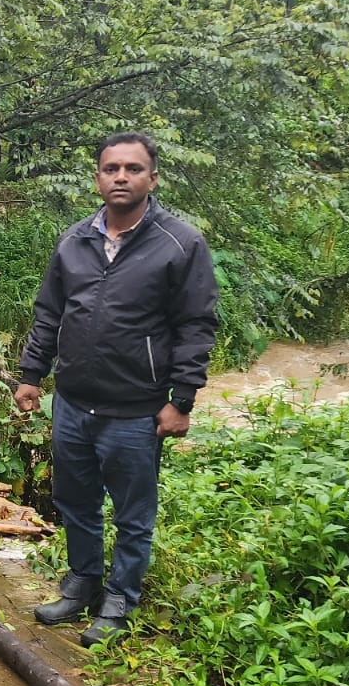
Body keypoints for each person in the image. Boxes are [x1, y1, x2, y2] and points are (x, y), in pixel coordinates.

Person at [14, 132, 218, 645]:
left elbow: (196, 326)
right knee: (75, 501)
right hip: (73, 403)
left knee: (133, 514)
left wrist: (181, 400)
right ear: (97, 178)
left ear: (153, 178)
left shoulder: (180, 244)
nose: (121, 177)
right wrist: (32, 375)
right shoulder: (75, 241)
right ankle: (82, 584)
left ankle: (119, 602)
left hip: (135, 411)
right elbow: (49, 313)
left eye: (132, 168)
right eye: (111, 169)